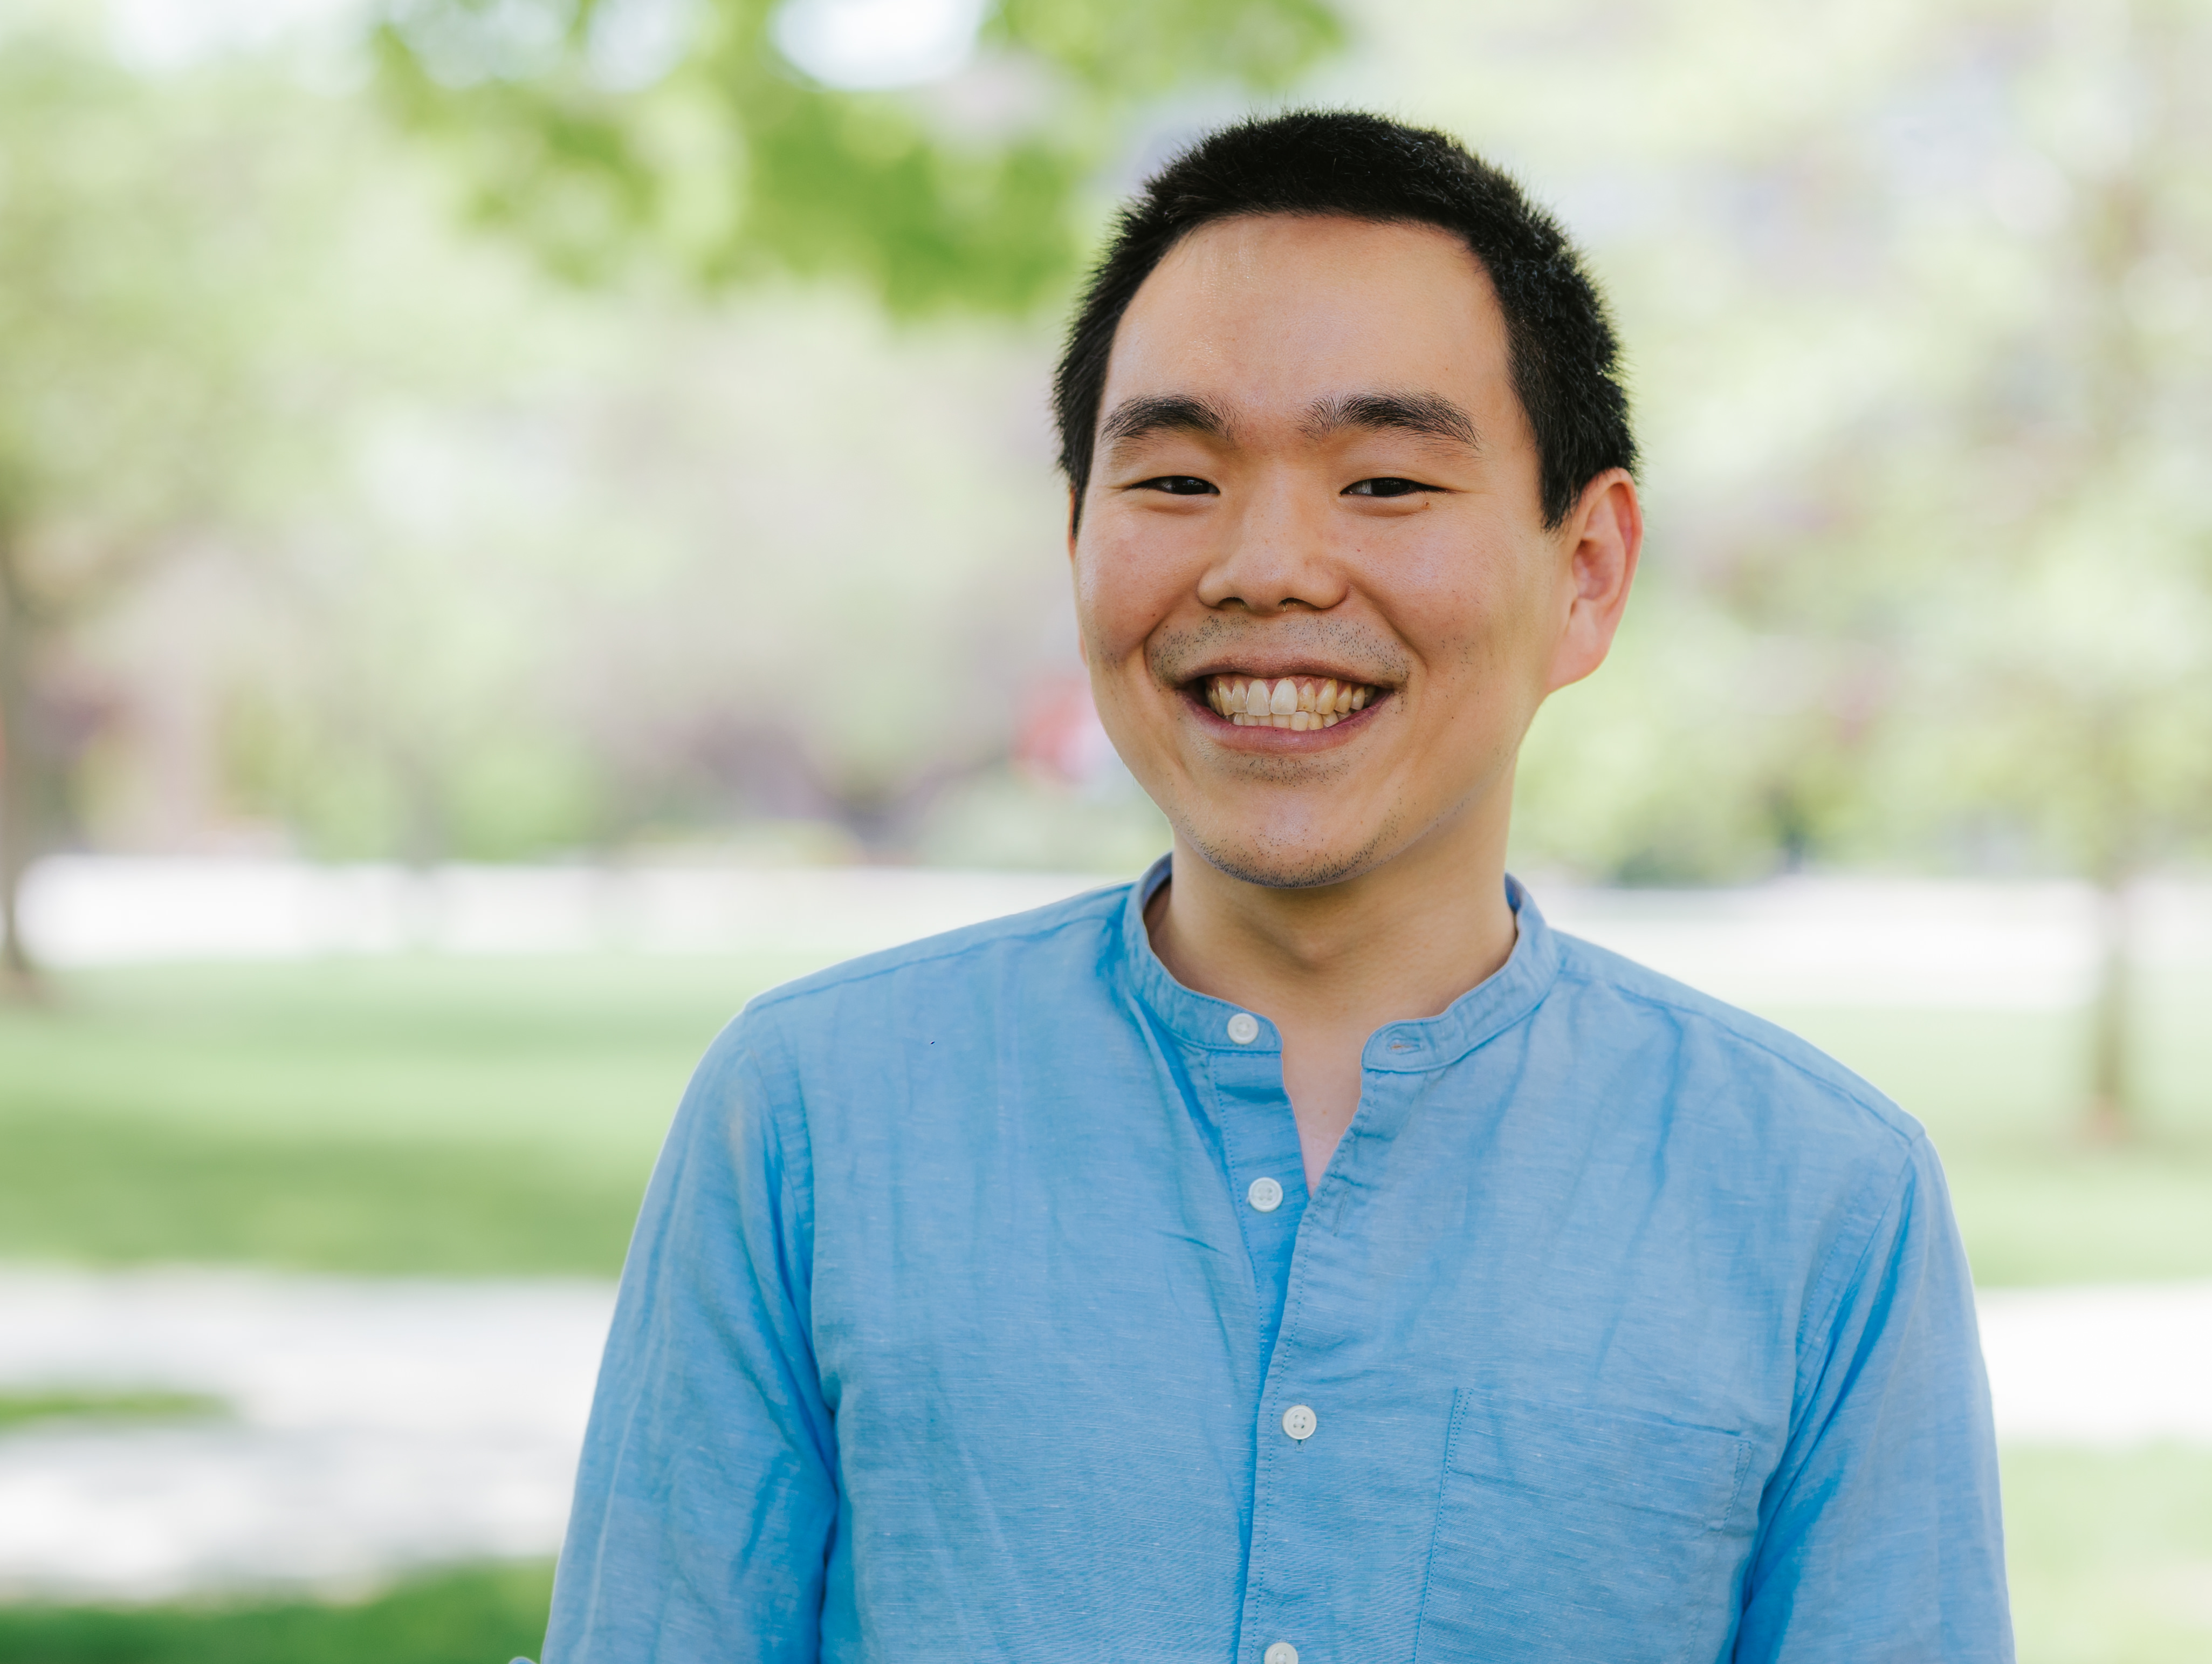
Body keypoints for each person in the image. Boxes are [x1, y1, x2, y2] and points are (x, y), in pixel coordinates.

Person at [541, 111, 2011, 1662]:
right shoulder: (808, 1123)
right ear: (1077, 539)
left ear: (1583, 572)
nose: (1266, 568)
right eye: (1176, 479)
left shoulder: (1819, 1200)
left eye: (1382, 483)